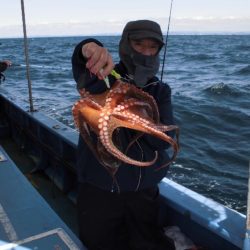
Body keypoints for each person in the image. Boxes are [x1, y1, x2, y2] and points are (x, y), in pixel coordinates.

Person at [71, 20, 177, 250]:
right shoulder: (106, 76)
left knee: (148, 242)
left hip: (143, 189)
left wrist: (135, 114)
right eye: (139, 45)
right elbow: (83, 67)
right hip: (100, 188)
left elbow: (162, 140)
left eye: (152, 47)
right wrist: (88, 46)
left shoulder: (159, 90)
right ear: (126, 44)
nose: (146, 52)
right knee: (99, 242)